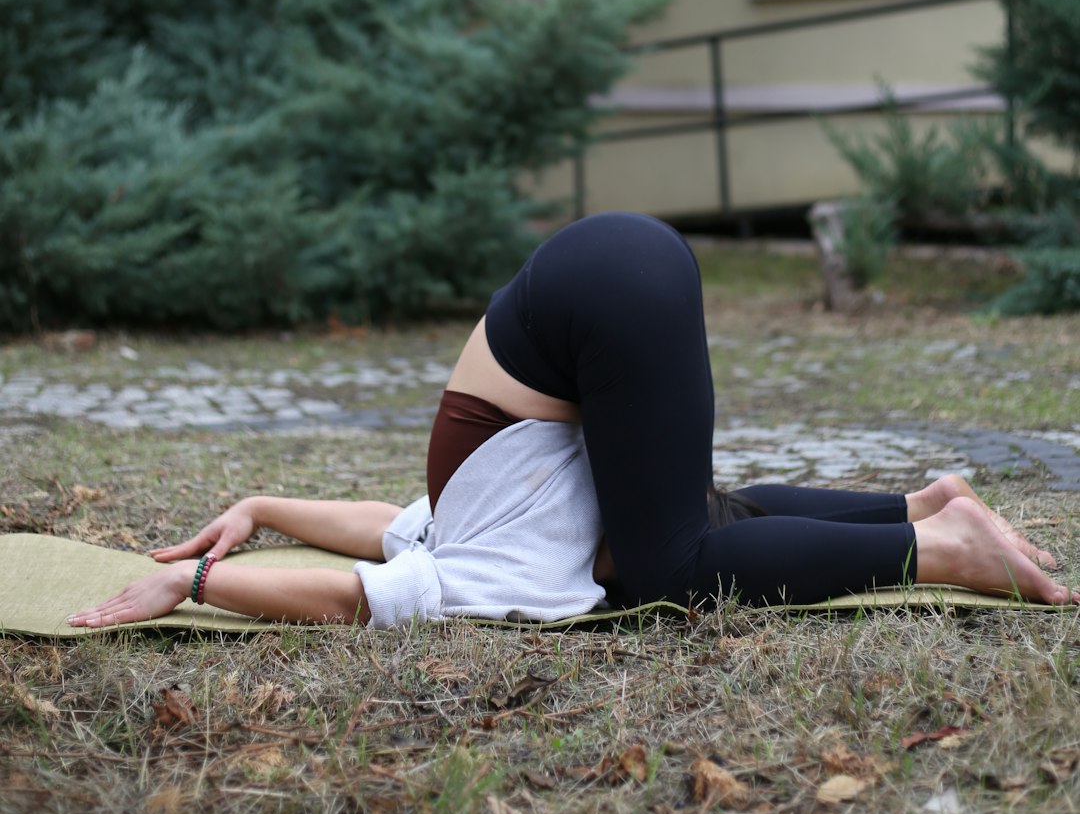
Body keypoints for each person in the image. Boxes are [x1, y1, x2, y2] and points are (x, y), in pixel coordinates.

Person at [68, 212, 1077, 631]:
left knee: (669, 564)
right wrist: (260, 509)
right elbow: (377, 536)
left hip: (592, 307)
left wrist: (194, 582)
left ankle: (941, 549)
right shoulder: (487, 539)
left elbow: (355, 589)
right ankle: (926, 508)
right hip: (610, 266)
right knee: (693, 519)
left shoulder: (485, 568)